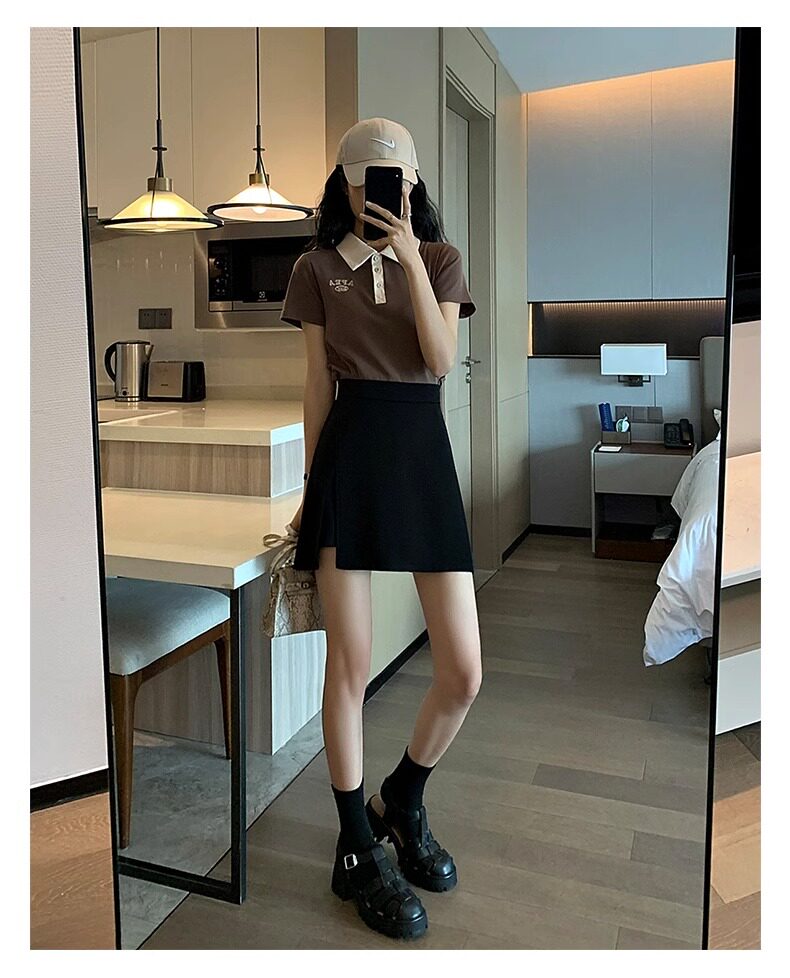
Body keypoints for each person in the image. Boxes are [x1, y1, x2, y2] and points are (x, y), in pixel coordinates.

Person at [281, 118, 482, 941]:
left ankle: (401, 798)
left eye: (394, 178)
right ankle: (357, 846)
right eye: (366, 177)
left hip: (421, 457)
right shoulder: (315, 267)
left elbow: (439, 360)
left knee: (463, 670)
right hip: (350, 457)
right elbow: (315, 386)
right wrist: (309, 491)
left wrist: (405, 256)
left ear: (413, 184)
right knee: (352, 665)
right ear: (344, 182)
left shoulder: (440, 260)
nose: (380, 191)